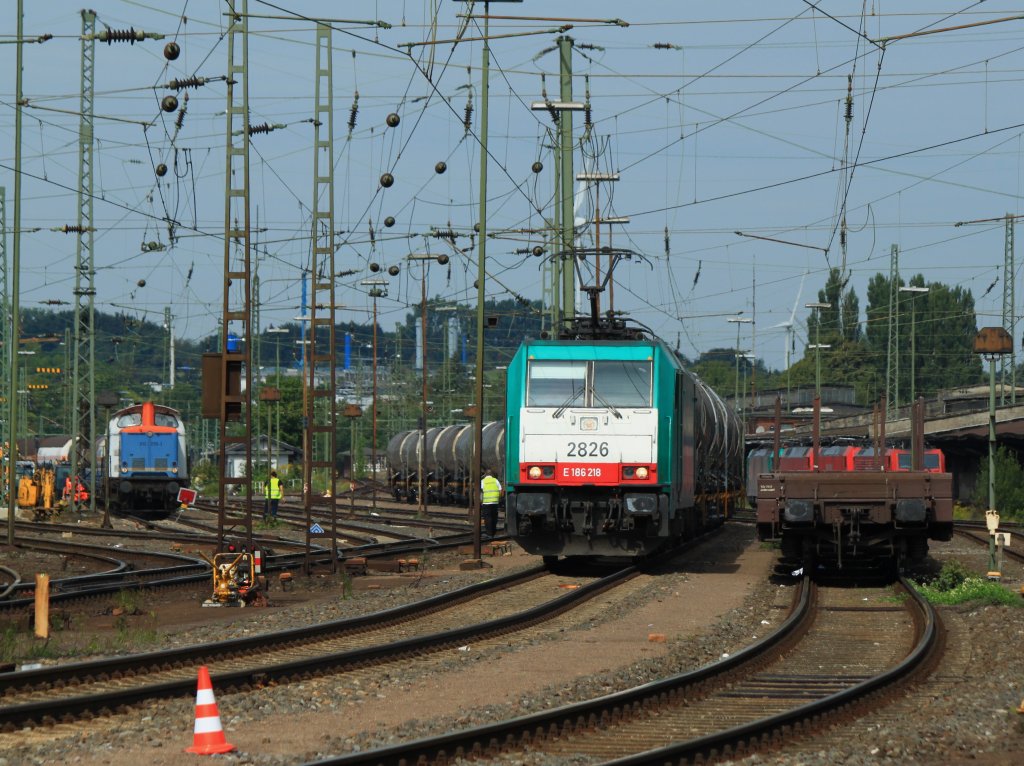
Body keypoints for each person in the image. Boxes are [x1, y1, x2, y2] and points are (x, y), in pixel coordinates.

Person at [480, 468, 502, 539]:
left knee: (488, 518)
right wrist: (498, 498)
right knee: (494, 517)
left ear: (485, 474)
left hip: (486, 503)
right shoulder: (495, 480)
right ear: (492, 474)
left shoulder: (483, 481)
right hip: (495, 502)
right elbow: (500, 490)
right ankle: (493, 533)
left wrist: (481, 500)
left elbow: (481, 491)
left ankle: (489, 534)